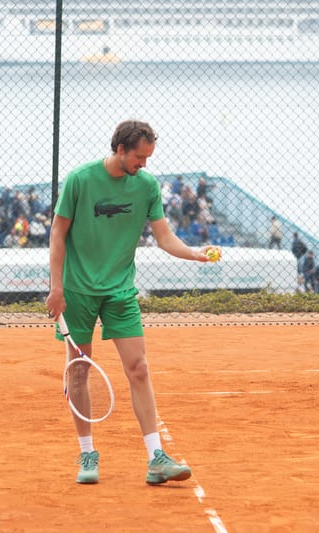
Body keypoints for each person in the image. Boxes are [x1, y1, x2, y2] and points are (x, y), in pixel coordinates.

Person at [45, 120, 216, 486]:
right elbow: (58, 232)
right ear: (121, 149)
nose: (144, 164)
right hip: (77, 290)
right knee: (78, 371)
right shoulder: (80, 179)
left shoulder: (147, 186)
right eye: (140, 157)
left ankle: (156, 458)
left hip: (120, 290)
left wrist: (194, 254)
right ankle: (87, 453)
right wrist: (55, 287)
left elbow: (164, 237)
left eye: (148, 157)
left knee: (138, 368)